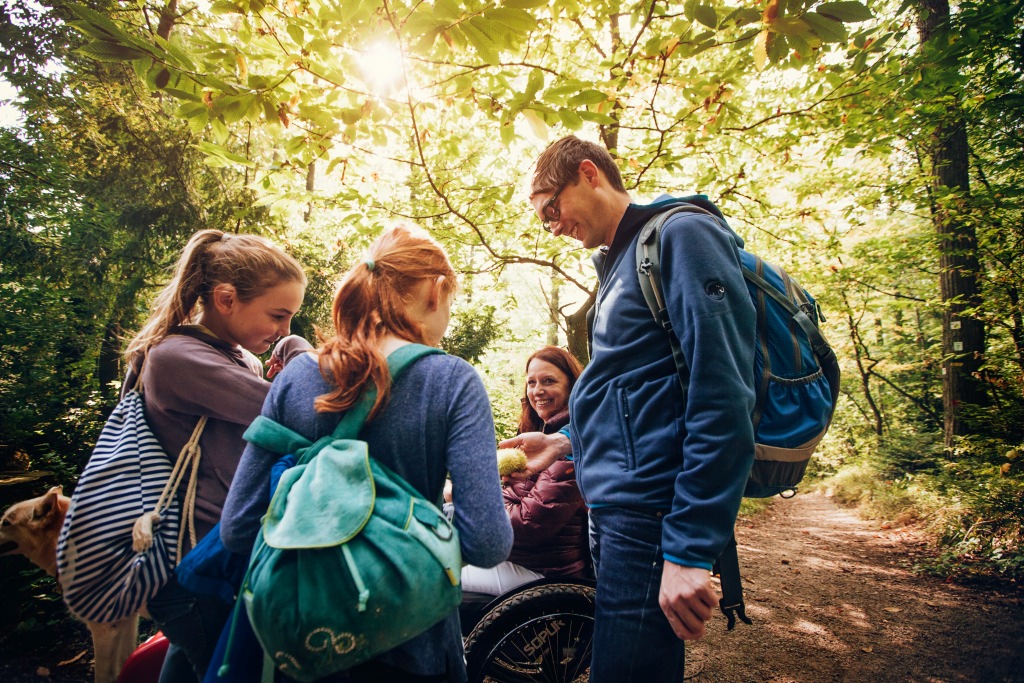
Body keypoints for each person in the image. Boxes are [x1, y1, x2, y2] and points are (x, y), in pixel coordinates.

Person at [500, 135, 757, 682]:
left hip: (651, 516)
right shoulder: (619, 265)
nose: (551, 226)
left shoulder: (682, 234)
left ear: (588, 174)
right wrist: (566, 443)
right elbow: (641, 401)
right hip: (617, 514)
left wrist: (688, 548)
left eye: (551, 208)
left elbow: (723, 393)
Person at [220, 224, 514, 683]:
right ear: (436, 293)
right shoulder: (452, 382)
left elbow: (238, 527)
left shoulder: (296, 376)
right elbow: (488, 542)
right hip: (413, 645)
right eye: (451, 304)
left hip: (300, 649)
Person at [122, 229, 311, 683]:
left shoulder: (230, 357)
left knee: (190, 670)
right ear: (226, 299)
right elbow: (301, 412)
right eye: (278, 316)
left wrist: (281, 346)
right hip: (195, 567)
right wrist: (299, 352)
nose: (284, 329)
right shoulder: (179, 358)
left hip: (210, 563)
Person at [460, 345, 589, 595]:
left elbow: (527, 526)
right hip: (519, 560)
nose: (537, 390)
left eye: (548, 381)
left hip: (544, 574)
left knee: (436, 575)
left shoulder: (571, 447)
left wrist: (469, 497)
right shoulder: (538, 435)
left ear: (572, 386)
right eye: (531, 382)